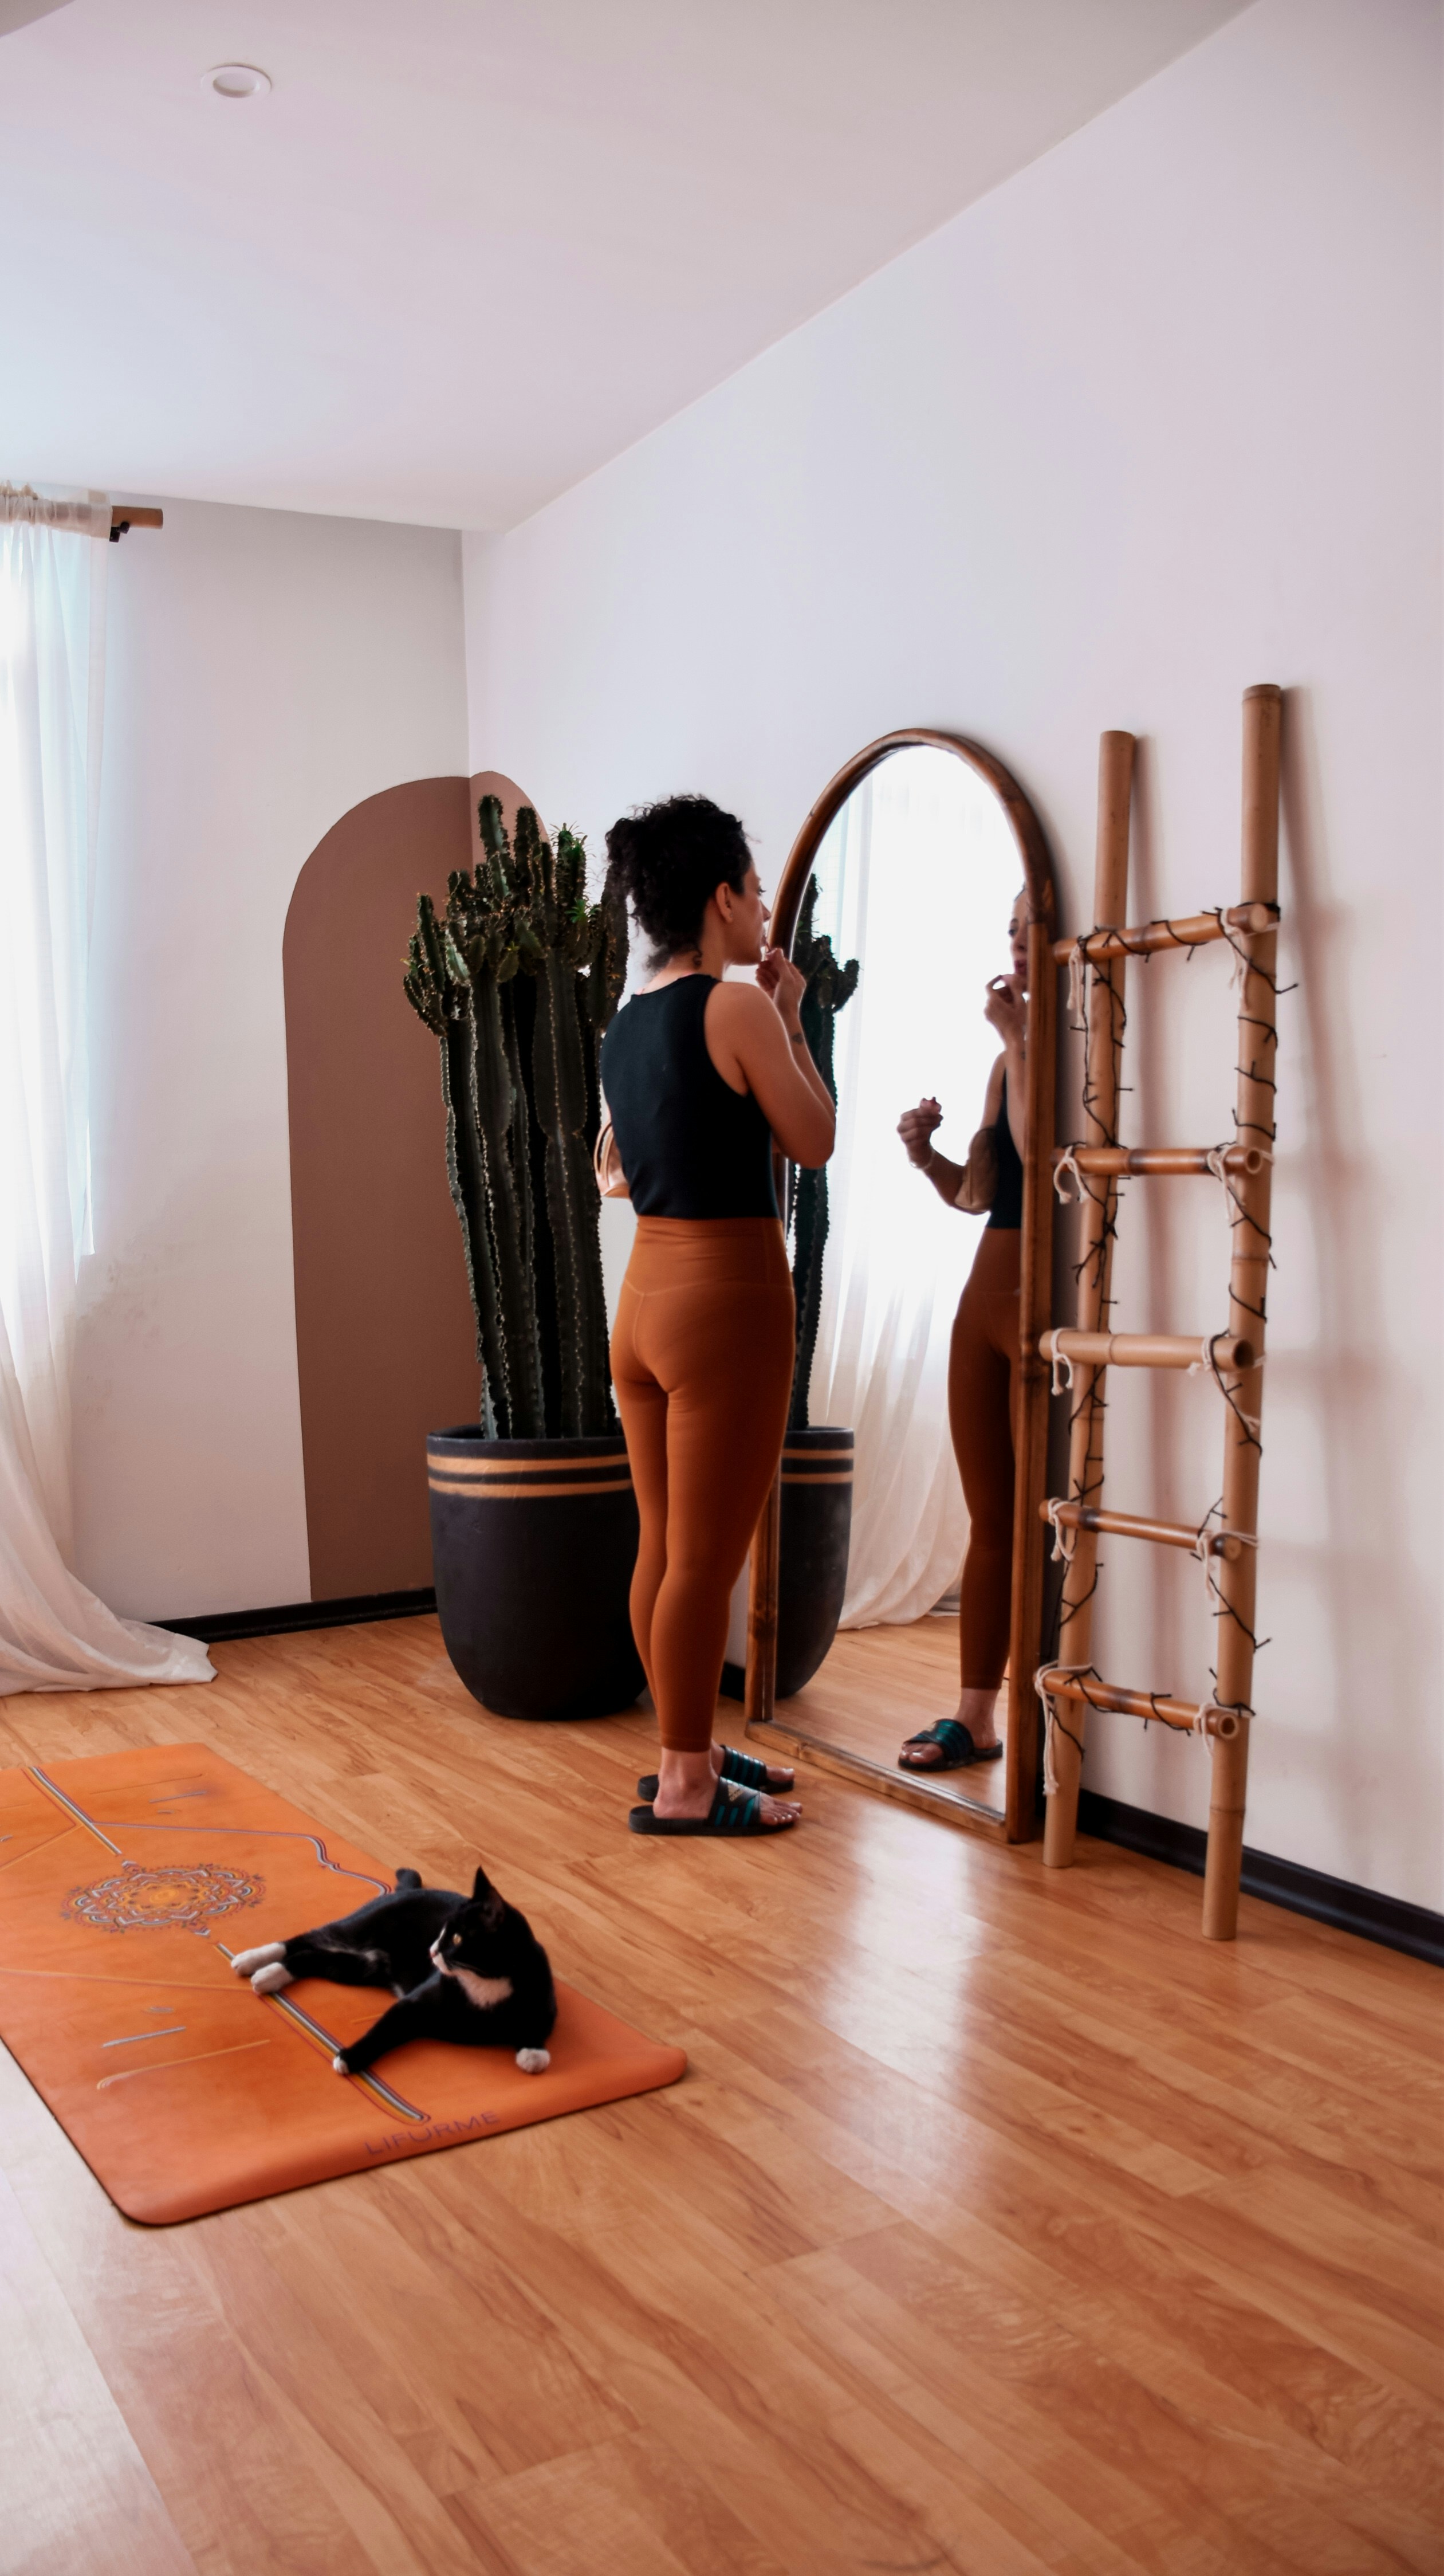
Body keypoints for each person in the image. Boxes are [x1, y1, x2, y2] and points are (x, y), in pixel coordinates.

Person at [599, 796, 836, 1834]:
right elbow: (815, 1140)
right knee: (704, 1560)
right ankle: (688, 1788)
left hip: (644, 1297)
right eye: (752, 885)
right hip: (726, 1299)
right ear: (719, 898)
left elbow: (620, 1165)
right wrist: (789, 1017)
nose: (763, 904)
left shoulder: (628, 1020)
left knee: (661, 1546)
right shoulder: (734, 1008)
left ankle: (682, 1744)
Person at [894, 892, 1030, 1772]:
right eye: (1010, 929)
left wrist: (1021, 1042)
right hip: (982, 1297)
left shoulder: (1075, 1044)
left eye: (1030, 927)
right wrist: (923, 1155)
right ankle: (974, 1717)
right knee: (990, 1521)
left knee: (1043, 1520)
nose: (1014, 943)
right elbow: (982, 1193)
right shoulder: (1003, 1059)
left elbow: (1057, 1157)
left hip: (1043, 1306)